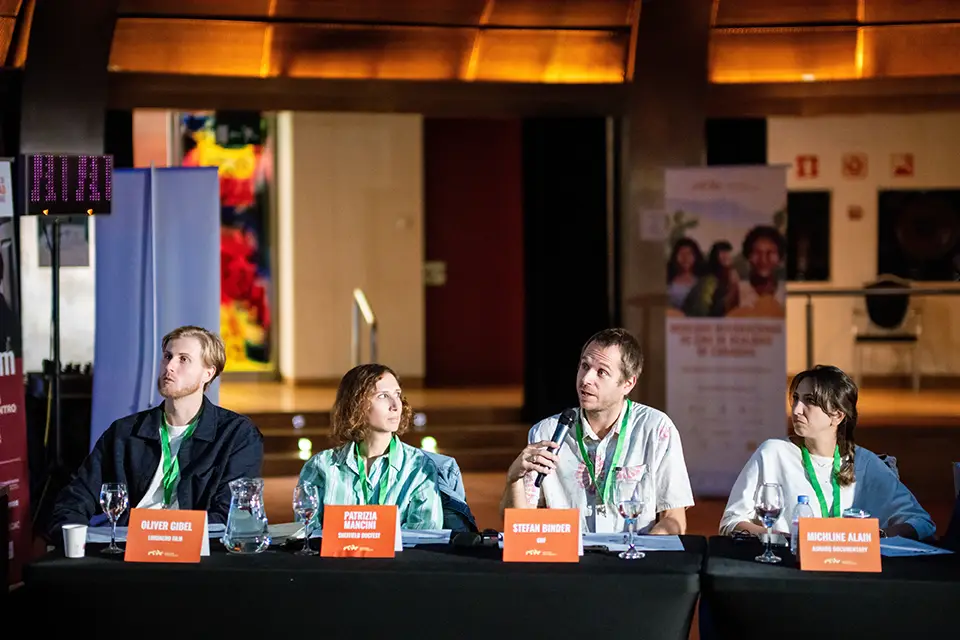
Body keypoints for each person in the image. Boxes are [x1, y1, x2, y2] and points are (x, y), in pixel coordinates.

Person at [48, 325, 264, 540]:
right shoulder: (125, 432)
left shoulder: (236, 435)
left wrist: (166, 534)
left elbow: (230, 516)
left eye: (183, 359)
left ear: (208, 373)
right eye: (167, 356)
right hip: (130, 546)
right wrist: (72, 540)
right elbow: (78, 496)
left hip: (195, 547)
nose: (169, 366)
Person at [500, 328, 694, 534]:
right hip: (569, 552)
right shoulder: (547, 433)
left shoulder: (656, 429)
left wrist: (643, 548)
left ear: (628, 384)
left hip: (633, 552)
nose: (586, 379)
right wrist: (514, 479)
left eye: (602, 372)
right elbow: (519, 526)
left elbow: (674, 519)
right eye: (584, 366)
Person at [719, 365, 935, 540]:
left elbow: (922, 523)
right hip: (789, 568)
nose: (796, 410)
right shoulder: (773, 453)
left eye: (810, 401)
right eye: (796, 398)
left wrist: (874, 537)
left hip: (851, 573)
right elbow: (731, 522)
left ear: (838, 415)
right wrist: (783, 539)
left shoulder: (864, 463)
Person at [299, 363, 443, 530]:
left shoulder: (419, 467)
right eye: (383, 396)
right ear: (356, 404)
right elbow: (308, 533)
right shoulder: (321, 466)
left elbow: (426, 536)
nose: (396, 406)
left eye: (397, 394)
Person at [732, 225, 786, 317]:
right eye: (757, 253)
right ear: (748, 256)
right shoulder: (738, 291)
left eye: (770, 253)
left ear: (779, 257)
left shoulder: (786, 291)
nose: (763, 260)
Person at [666, 238, 704, 311]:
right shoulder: (668, 279)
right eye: (681, 254)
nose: (685, 258)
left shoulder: (702, 280)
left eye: (689, 254)